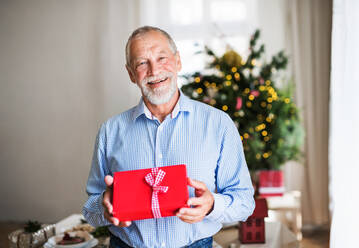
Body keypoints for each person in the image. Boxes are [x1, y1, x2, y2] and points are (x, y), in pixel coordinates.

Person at [83, 26, 255, 248]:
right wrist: (104, 208)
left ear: (178, 61)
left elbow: (244, 203)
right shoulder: (110, 131)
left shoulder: (218, 124)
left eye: (161, 58)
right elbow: (90, 208)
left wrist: (212, 205)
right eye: (142, 63)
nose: (154, 70)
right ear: (131, 74)